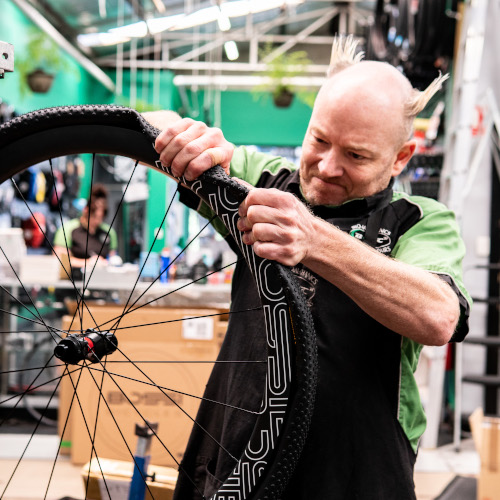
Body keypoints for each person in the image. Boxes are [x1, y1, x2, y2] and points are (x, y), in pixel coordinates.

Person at [155, 36, 471, 499]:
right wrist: (185, 136)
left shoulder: (418, 222)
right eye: (319, 139)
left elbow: (438, 315)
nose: (326, 166)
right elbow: (146, 127)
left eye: (356, 155)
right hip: (235, 468)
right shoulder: (265, 182)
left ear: (401, 158)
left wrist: (314, 239)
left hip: (356, 477)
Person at [53, 183, 118, 270]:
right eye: (95, 217)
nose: (97, 221)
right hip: (74, 279)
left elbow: (112, 258)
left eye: (101, 218)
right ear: (86, 210)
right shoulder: (68, 229)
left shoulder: (109, 232)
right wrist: (88, 262)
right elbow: (59, 260)